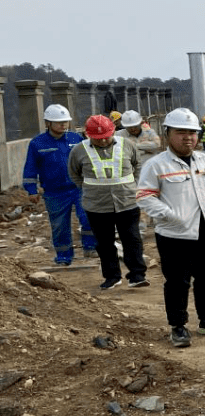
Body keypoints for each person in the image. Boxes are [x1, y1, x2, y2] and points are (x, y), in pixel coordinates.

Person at [136, 107, 205, 348]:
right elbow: (145, 196)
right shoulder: (156, 165)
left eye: (193, 133)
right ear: (168, 133)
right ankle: (178, 326)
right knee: (177, 282)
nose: (188, 137)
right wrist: (170, 215)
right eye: (181, 132)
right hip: (174, 235)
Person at [67, 115, 149, 290]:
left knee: (132, 239)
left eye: (106, 136)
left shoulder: (127, 145)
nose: (103, 140)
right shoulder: (78, 151)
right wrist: (90, 189)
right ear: (88, 136)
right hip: (97, 206)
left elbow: (137, 165)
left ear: (113, 131)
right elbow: (74, 173)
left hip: (127, 202)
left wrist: (130, 186)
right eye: (98, 138)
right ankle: (112, 276)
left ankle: (137, 275)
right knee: (104, 243)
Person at [21, 104, 97, 265]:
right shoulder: (37, 143)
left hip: (79, 188)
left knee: (89, 217)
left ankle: (91, 248)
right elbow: (30, 167)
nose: (63, 125)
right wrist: (31, 190)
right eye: (58, 122)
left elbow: (89, 160)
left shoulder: (76, 139)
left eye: (65, 122)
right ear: (48, 123)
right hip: (54, 192)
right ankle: (64, 256)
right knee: (60, 225)